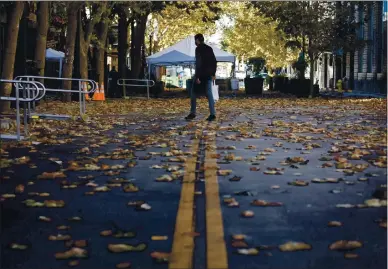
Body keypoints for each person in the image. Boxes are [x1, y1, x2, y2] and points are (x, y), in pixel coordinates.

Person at [185, 33, 217, 121]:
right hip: (209, 75)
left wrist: (197, 76)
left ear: (197, 40)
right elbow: (214, 61)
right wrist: (213, 74)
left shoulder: (198, 49)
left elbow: (199, 63)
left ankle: (193, 113)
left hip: (201, 74)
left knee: (193, 93)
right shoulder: (209, 48)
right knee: (209, 94)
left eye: (195, 40)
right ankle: (212, 114)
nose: (195, 42)